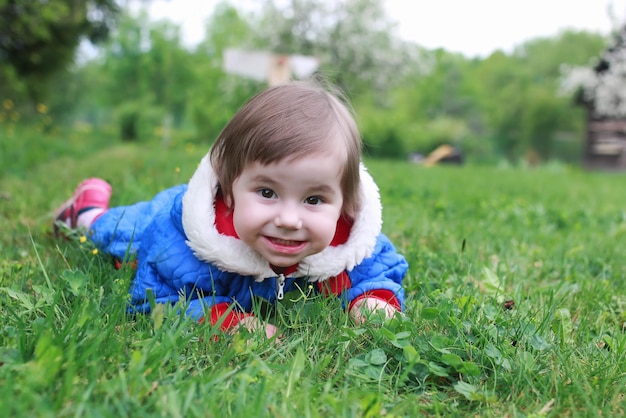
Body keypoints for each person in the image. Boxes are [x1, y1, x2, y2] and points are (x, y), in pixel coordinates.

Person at [54, 81, 408, 338]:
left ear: (345, 201)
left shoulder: (347, 238)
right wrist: (225, 319)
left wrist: (374, 298)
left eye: (314, 200)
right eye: (267, 192)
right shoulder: (185, 238)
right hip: (160, 221)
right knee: (110, 231)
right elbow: (158, 298)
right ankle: (86, 209)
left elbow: (376, 267)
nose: (288, 220)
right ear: (228, 184)